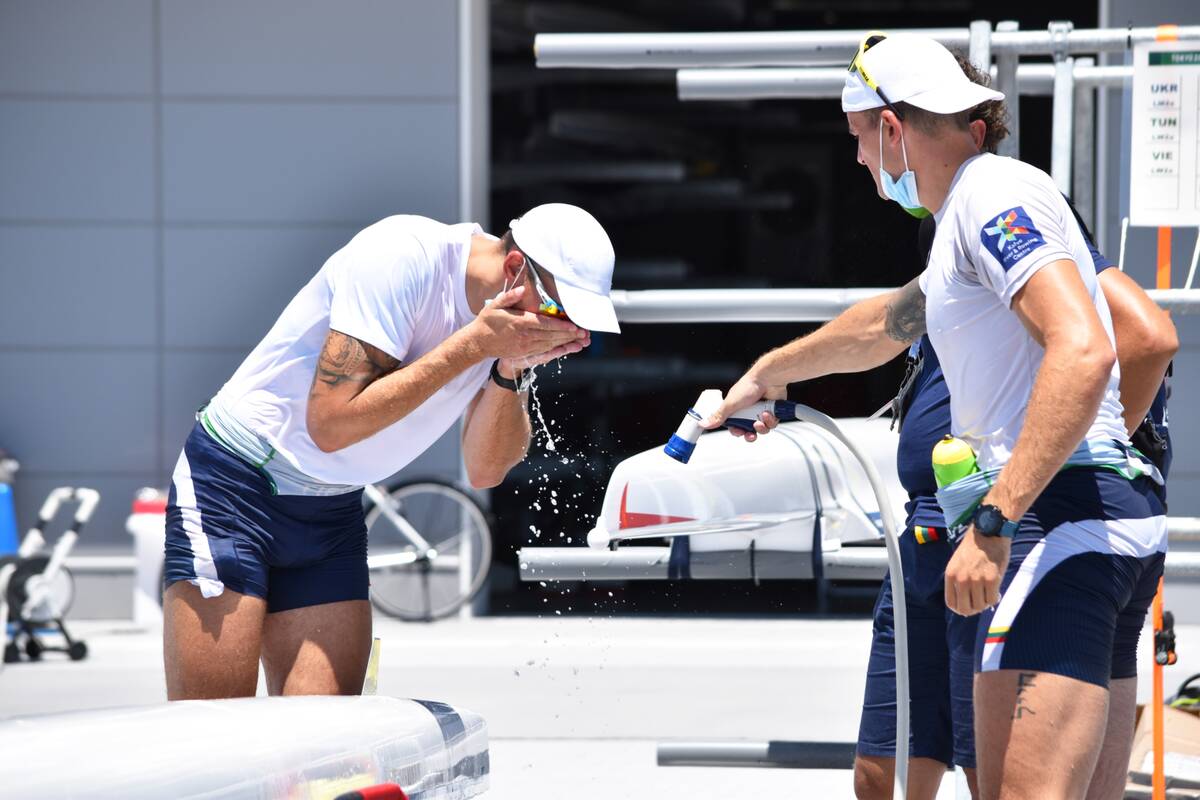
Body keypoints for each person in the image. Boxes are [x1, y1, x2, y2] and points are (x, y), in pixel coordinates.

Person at [706, 34, 1172, 800]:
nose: (860, 161)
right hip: (1096, 524)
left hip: (1054, 527)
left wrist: (994, 520)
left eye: (858, 138)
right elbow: (889, 323)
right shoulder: (971, 213)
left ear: (891, 128)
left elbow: (1085, 349)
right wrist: (768, 374)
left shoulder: (991, 197)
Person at [163, 203, 618, 700]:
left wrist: (511, 368)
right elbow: (330, 424)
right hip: (236, 487)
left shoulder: (501, 330)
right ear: (514, 270)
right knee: (215, 728)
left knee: (324, 739)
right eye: (558, 311)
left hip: (331, 508)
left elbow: (486, 470)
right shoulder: (402, 256)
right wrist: (474, 346)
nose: (562, 328)